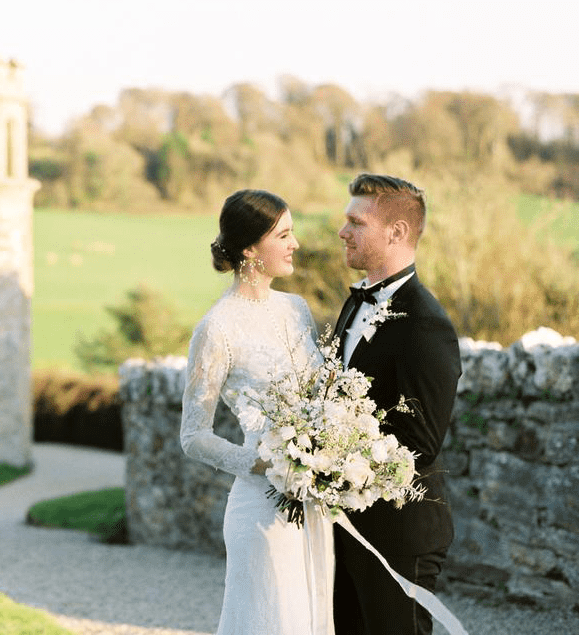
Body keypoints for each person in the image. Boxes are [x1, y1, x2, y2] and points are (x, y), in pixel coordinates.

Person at [181, 189, 334, 634]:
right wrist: (266, 464)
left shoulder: (296, 309)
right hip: (263, 509)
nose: (296, 244)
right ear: (250, 248)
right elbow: (193, 436)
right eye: (284, 234)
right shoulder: (217, 328)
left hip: (313, 505)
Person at [331, 173, 461, 635]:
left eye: (355, 222)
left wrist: (328, 461)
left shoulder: (427, 324)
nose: (342, 231)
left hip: (399, 532)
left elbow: (419, 443)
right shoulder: (353, 305)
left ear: (397, 232)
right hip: (344, 527)